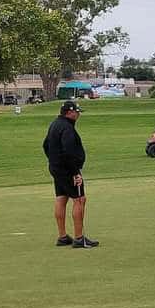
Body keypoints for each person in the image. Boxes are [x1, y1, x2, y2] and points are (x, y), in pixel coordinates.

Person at [42, 100, 98, 248]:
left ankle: (62, 236)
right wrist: (75, 172)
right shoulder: (67, 128)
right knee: (80, 199)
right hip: (67, 170)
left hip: (56, 168)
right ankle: (79, 238)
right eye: (77, 112)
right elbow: (69, 151)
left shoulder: (55, 124)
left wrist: (53, 161)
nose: (78, 114)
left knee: (61, 198)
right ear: (69, 112)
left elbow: (45, 145)